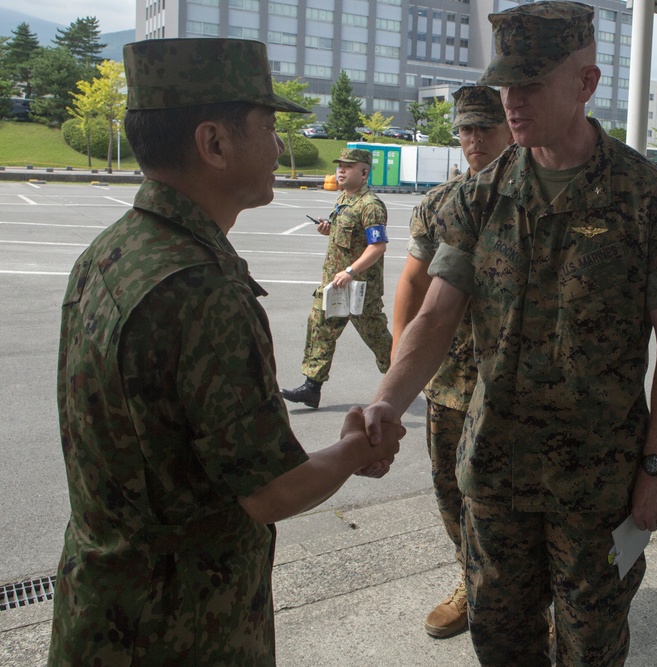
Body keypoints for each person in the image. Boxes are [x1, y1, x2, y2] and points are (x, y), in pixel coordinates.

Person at [361, 2, 657, 664]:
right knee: (502, 639)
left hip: (600, 484)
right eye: (505, 86)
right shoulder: (479, 197)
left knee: (591, 646)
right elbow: (435, 315)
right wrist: (385, 401)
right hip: (496, 475)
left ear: (585, 83)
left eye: (530, 84)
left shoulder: (646, 197)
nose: (511, 103)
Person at [47, 38, 404, 666]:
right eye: (268, 127)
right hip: (182, 627)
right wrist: (355, 449)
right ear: (213, 144)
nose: (278, 147)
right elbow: (270, 492)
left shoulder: (110, 251)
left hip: (99, 609)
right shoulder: (202, 289)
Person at [392, 85, 514, 639]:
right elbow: (413, 283)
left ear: (511, 126)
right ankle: (472, 579)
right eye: (465, 129)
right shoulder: (439, 202)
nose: (473, 140)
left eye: (485, 127)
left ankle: (532, 598)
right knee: (450, 491)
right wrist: (401, 365)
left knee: (516, 498)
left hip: (515, 385)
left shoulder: (532, 198)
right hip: (449, 381)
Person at [281, 148, 392, 408]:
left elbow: (378, 246)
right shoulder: (344, 199)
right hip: (335, 284)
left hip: (360, 288)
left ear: (364, 173)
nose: (340, 171)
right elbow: (347, 238)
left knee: (378, 338)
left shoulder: (370, 206)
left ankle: (404, 380)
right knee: (320, 329)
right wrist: (327, 230)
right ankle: (311, 387)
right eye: (339, 166)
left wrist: (351, 271)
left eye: (348, 167)